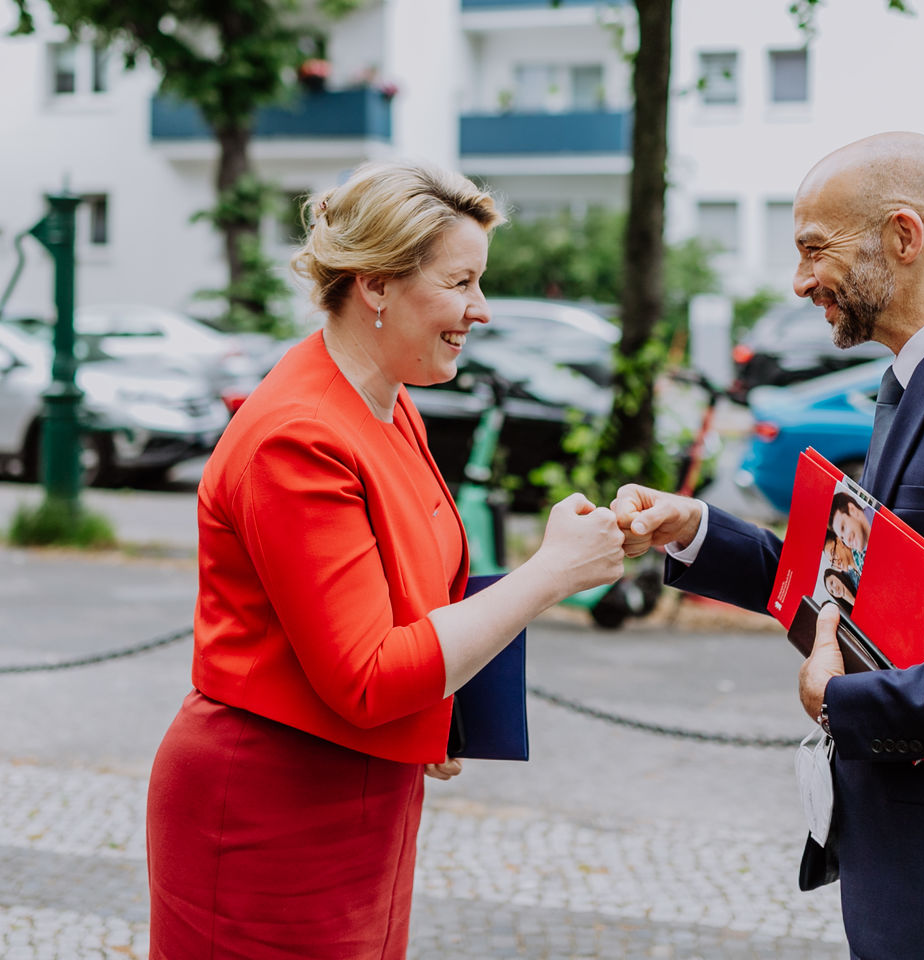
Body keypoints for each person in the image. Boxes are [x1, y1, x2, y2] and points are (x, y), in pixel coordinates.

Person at [612, 132, 924, 960]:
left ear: (903, 237)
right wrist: (696, 529)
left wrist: (841, 703)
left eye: (814, 249)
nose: (801, 281)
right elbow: (851, 589)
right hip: (919, 867)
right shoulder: (913, 383)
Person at [145, 161, 627, 960]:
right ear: (375, 285)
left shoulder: (391, 400)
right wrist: (551, 574)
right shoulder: (296, 436)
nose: (482, 309)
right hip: (271, 808)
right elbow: (367, 674)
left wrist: (436, 717)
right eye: (461, 282)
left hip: (363, 792)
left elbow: (407, 597)